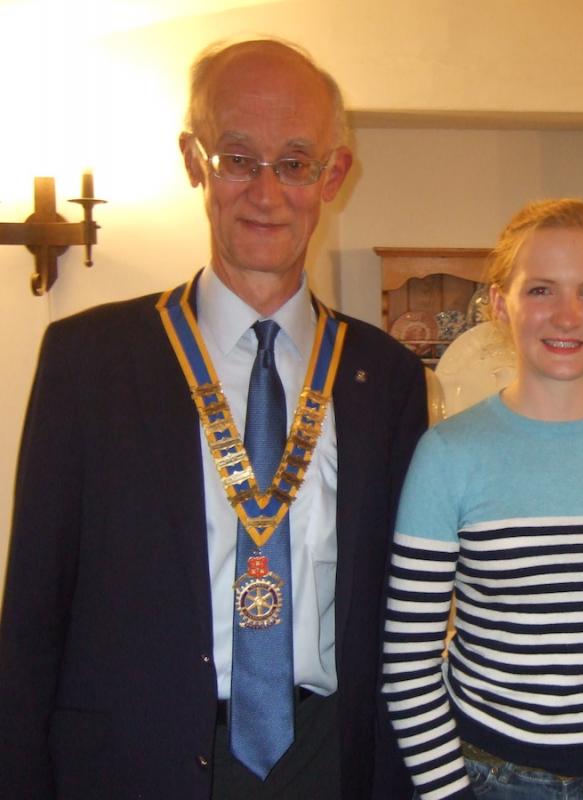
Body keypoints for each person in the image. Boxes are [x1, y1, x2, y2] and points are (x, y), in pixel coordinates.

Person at [0, 39, 426, 799]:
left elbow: (406, 611)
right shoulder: (87, 360)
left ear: (332, 175)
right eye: (238, 157)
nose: (266, 192)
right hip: (135, 761)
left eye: (295, 162)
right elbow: (32, 612)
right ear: (195, 161)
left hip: (329, 759)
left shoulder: (385, 378)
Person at [381, 198, 583, 800]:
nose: (566, 315)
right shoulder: (448, 454)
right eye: (540, 291)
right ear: (502, 305)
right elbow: (407, 664)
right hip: (485, 773)